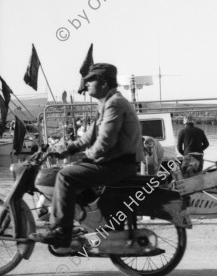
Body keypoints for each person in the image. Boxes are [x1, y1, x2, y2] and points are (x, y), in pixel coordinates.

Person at [30, 63, 144, 247]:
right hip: (115, 163)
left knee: (65, 176)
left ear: (104, 83)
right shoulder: (106, 103)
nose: (86, 84)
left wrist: (86, 157)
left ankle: (61, 231)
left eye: (91, 80)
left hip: (119, 165)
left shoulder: (114, 104)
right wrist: (65, 149)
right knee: (71, 171)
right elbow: (90, 136)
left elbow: (105, 142)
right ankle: (86, 222)